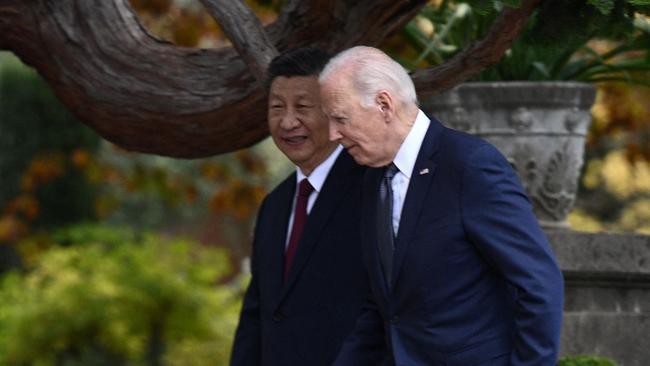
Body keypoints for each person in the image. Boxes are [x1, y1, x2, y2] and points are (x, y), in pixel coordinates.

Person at [319, 46, 564, 365]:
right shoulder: (372, 179)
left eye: (340, 118)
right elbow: (385, 306)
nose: (332, 134)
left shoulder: (469, 165)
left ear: (384, 105)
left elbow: (538, 283)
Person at [230, 48, 368, 366]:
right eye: (277, 107)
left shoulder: (372, 189)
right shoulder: (274, 206)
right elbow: (257, 315)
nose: (288, 121)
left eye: (303, 107)